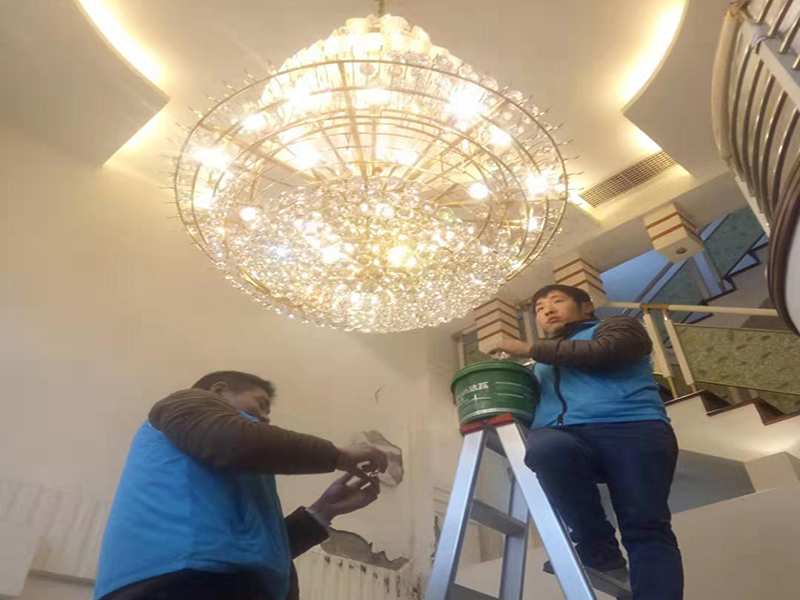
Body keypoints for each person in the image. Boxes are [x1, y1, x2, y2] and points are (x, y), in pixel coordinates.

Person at [94, 370, 389, 600]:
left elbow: (256, 549)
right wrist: (337, 455)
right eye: (260, 403)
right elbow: (233, 441)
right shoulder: (185, 402)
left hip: (214, 583)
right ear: (218, 391)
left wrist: (323, 511)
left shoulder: (229, 465)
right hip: (176, 582)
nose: (266, 417)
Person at [486, 285, 683, 600]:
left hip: (634, 430)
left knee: (645, 528)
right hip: (567, 434)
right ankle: (599, 551)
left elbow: (606, 352)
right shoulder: (543, 363)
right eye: (539, 308)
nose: (547, 310)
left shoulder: (616, 327)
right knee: (545, 448)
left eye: (557, 301)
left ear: (586, 307)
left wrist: (528, 348)